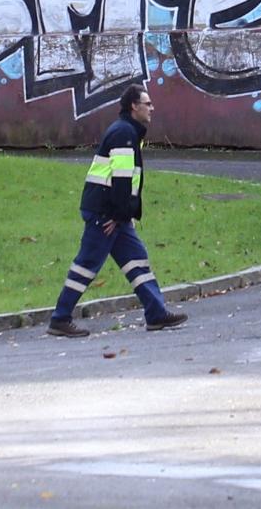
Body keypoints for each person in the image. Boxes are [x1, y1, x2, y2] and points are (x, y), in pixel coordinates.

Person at [47, 83, 188, 337]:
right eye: (147, 104)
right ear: (134, 106)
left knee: (137, 261)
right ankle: (60, 318)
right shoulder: (124, 133)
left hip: (113, 213)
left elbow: (122, 180)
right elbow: (121, 180)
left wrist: (123, 215)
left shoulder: (128, 131)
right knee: (87, 264)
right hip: (106, 213)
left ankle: (156, 314)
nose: (152, 108)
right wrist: (117, 215)